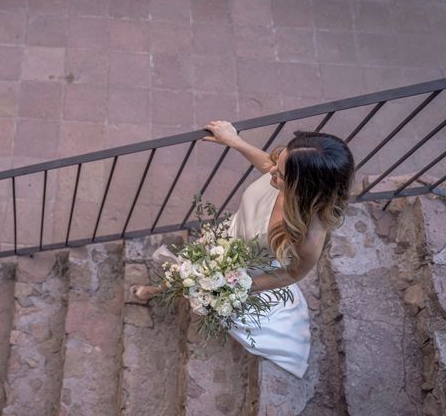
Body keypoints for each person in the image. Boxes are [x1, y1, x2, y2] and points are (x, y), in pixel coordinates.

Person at [131, 121, 355, 378]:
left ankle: (156, 291)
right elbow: (267, 164)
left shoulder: (308, 238)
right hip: (226, 239)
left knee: (195, 281)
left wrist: (244, 286)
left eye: (280, 174)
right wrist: (235, 141)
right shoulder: (280, 175)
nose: (271, 173)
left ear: (305, 189)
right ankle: (162, 289)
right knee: (191, 271)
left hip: (240, 271)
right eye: (278, 164)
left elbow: (294, 274)